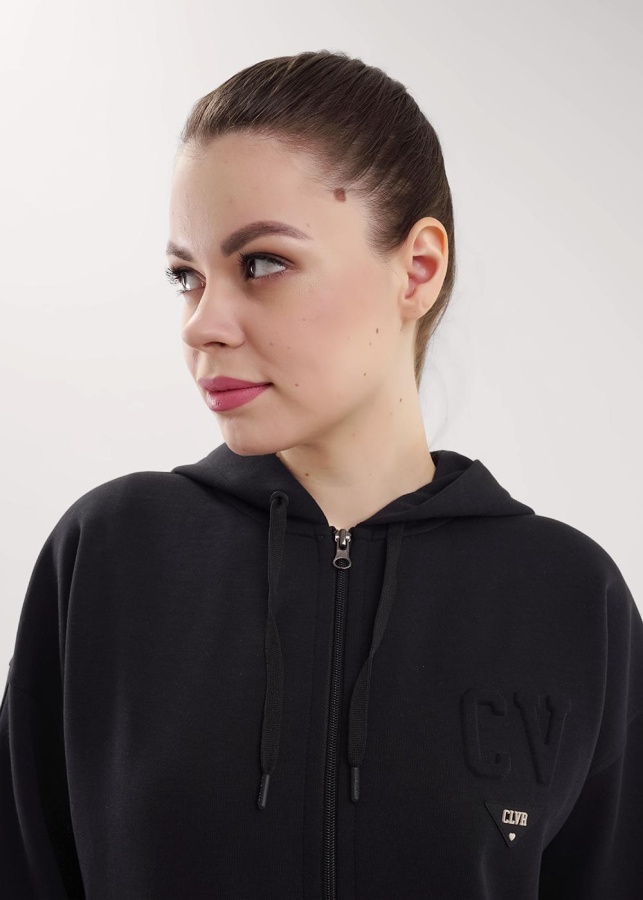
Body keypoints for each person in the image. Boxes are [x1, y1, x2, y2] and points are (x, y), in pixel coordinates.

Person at [1, 49, 642, 900]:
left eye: (261, 263)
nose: (201, 324)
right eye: (185, 276)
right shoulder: (111, 555)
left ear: (417, 269)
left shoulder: (570, 599)